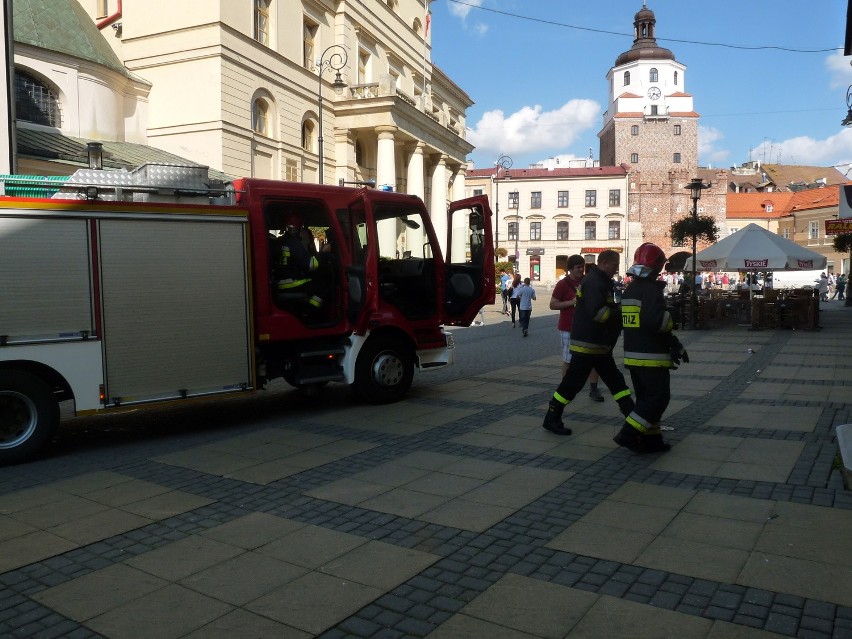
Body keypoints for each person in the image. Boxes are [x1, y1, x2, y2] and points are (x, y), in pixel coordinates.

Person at [542, 250, 635, 436]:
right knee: (573, 383)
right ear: (604, 263)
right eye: (615, 264)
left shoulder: (599, 281)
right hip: (589, 344)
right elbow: (599, 313)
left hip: (597, 344)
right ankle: (552, 417)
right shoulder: (594, 282)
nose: (617, 269)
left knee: (615, 382)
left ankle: (634, 419)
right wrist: (621, 314)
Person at [614, 243, 688, 453]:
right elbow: (655, 322)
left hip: (634, 355)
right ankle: (627, 433)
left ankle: (651, 440)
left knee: (646, 400)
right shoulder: (649, 290)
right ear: (655, 266)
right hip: (651, 355)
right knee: (657, 399)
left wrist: (675, 345)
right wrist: (673, 314)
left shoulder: (631, 290)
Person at [550, 255, 604, 402]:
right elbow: (553, 304)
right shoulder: (563, 284)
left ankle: (594, 388)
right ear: (570, 269)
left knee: (592, 358)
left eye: (582, 266)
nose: (581, 269)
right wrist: (571, 302)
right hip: (568, 327)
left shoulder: (588, 281)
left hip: (588, 326)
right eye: (578, 267)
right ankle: (564, 389)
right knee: (568, 359)